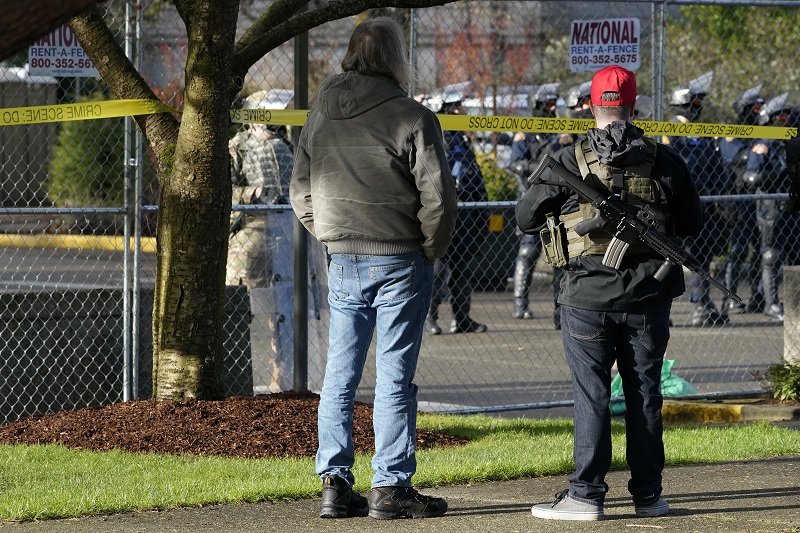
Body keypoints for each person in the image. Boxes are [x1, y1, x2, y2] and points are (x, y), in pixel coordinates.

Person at [517, 65, 703, 521]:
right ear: (634, 105)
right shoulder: (664, 160)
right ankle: (647, 496)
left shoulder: (565, 159)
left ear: (591, 105)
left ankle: (585, 496)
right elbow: (695, 222)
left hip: (586, 296)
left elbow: (525, 218)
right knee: (644, 394)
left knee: (592, 395)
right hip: (648, 297)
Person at [289, 16, 457, 520]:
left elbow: (299, 184)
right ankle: (391, 486)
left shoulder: (321, 112)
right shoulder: (413, 116)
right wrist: (430, 248)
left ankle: (335, 484)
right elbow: (440, 200)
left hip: (342, 256)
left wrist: (327, 230)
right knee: (394, 375)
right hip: (401, 257)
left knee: (339, 374)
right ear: (395, 58)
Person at [227, 90, 296, 393]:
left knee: (283, 315)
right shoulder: (238, 146)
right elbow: (221, 191)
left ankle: (283, 377)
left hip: (284, 236)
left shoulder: (286, 146)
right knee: (236, 308)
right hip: (249, 238)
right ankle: (233, 375)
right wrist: (251, 194)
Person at [663, 71, 730, 326]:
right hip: (677, 204)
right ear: (683, 104)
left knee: (703, 254)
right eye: (696, 103)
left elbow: (715, 166)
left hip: (703, 202)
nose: (698, 109)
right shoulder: (671, 132)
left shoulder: (699, 133)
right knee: (670, 257)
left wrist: (719, 198)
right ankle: (663, 310)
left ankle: (701, 303)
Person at [424, 95, 489, 334]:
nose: (462, 111)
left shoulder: (461, 137)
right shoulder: (435, 137)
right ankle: (429, 318)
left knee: (463, 268)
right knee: (439, 268)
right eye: (457, 107)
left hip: (466, 214)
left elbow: (474, 174)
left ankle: (462, 319)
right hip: (445, 212)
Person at [508, 83, 562, 323]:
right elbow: (515, 164)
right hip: (532, 198)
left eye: (554, 105)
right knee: (528, 252)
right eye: (547, 105)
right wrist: (541, 170)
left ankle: (561, 308)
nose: (552, 109)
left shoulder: (561, 131)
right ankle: (520, 303)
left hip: (556, 199)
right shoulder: (525, 133)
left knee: (561, 254)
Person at [741, 93, 797, 321]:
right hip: (769, 207)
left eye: (787, 115)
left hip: (790, 205)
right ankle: (770, 304)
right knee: (771, 255)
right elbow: (751, 178)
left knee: (793, 255)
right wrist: (779, 173)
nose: (785, 118)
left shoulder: (789, 143)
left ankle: (794, 303)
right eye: (781, 116)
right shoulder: (762, 145)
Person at [717, 86, 765, 315]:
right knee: (737, 249)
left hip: (760, 199)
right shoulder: (732, 131)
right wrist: (754, 152)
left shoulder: (762, 130)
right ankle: (731, 297)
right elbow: (735, 157)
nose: (759, 111)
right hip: (739, 200)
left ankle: (758, 295)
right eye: (756, 107)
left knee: (760, 249)